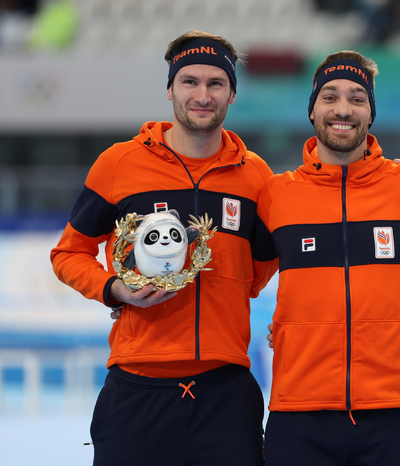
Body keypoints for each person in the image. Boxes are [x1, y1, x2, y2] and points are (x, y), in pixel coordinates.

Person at [50, 30, 276, 466]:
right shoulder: (119, 164)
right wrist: (114, 288)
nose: (202, 95)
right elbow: (68, 253)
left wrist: (226, 284)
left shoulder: (256, 177)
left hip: (225, 393)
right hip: (136, 388)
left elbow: (260, 267)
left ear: (232, 94)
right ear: (170, 88)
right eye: (190, 81)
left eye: (216, 83)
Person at [256, 50, 400, 466]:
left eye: (357, 98)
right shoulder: (277, 195)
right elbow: (236, 276)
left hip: (390, 410)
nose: (343, 109)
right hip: (297, 411)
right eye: (329, 97)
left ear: (371, 112)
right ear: (312, 110)